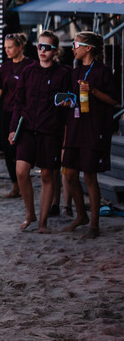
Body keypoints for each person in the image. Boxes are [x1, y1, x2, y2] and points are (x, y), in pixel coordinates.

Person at [8, 31, 72, 233]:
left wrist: (65, 136)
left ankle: (43, 222)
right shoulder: (28, 71)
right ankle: (30, 213)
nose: (43, 51)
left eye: (47, 47)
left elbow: (70, 104)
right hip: (27, 129)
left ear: (56, 51)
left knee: (47, 174)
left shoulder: (64, 74)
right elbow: (18, 103)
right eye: (39, 46)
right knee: (21, 171)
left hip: (51, 131)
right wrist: (12, 129)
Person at [62, 31, 120, 238]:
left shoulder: (103, 71)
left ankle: (94, 224)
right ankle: (81, 215)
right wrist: (67, 101)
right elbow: (73, 98)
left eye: (75, 44)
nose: (72, 48)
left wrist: (93, 91)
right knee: (69, 174)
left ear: (88, 48)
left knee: (89, 176)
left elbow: (114, 101)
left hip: (94, 129)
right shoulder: (75, 71)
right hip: (75, 127)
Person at [0, 34, 33, 198]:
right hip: (7, 112)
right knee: (8, 150)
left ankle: (24, 182)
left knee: (22, 150)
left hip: (25, 114)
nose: (7, 50)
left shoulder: (31, 65)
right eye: (5, 47)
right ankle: (16, 186)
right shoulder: (5, 68)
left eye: (10, 47)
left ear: (20, 47)